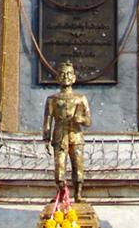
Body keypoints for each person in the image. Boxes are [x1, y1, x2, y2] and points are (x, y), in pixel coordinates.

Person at [42, 61, 92, 201]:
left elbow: (88, 121)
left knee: (78, 165)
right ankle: (61, 193)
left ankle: (78, 194)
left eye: (69, 74)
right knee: (59, 166)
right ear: (57, 78)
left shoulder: (80, 99)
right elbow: (47, 121)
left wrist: (79, 119)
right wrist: (46, 138)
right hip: (59, 135)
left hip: (75, 135)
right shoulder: (52, 99)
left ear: (74, 78)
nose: (66, 77)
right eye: (63, 74)